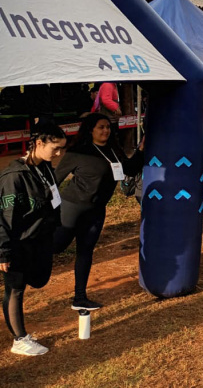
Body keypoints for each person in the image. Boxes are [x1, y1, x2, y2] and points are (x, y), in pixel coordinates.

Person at [53, 113, 145, 309]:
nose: (105, 131)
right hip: (72, 207)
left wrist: (141, 150)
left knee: (85, 251)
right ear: (90, 130)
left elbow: (129, 169)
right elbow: (54, 181)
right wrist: (47, 208)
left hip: (96, 211)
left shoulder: (113, 150)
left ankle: (79, 298)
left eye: (108, 127)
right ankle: (17, 264)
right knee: (56, 247)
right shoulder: (78, 152)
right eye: (101, 127)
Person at [0, 122, 66, 356]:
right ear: (39, 144)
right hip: (18, 243)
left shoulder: (45, 167)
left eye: (62, 149)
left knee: (35, 281)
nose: (59, 154)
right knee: (15, 290)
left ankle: (21, 334)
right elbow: (5, 218)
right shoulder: (14, 176)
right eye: (55, 148)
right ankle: (19, 340)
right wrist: (4, 252)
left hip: (39, 240)